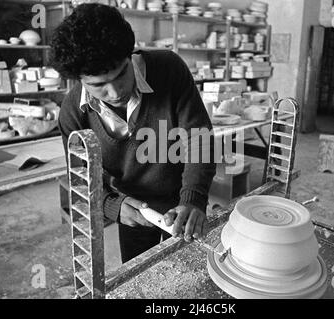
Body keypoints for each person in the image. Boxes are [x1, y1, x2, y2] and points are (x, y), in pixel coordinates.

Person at [51, 3, 216, 263]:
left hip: (180, 191)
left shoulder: (168, 69)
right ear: (79, 79)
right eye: (99, 85)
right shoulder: (73, 112)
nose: (115, 92)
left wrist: (194, 198)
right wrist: (112, 206)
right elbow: (80, 177)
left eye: (120, 75)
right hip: (133, 205)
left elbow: (198, 137)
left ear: (130, 56)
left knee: (190, 267)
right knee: (140, 274)